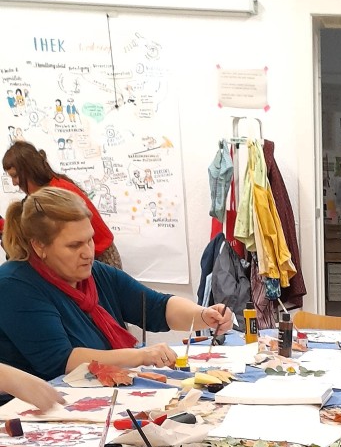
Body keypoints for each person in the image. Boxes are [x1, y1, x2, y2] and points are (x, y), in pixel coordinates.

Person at [0, 188, 232, 381]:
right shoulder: (15, 286)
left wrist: (203, 314)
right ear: (39, 246)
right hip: (29, 416)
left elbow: (156, 307)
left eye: (90, 239)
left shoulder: (95, 275)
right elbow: (63, 362)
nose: (88, 252)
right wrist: (140, 356)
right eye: (74, 245)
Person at [2, 141, 123, 268]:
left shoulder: (56, 192)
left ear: (28, 171)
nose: (14, 183)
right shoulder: (51, 189)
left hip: (99, 257)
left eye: (15, 176)